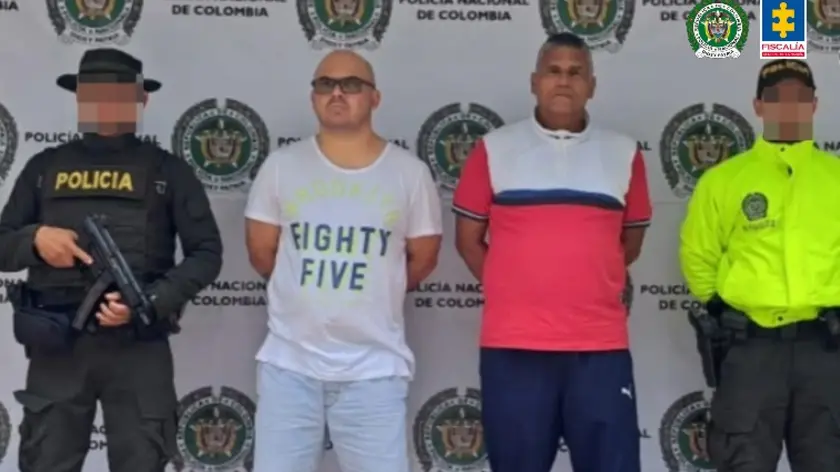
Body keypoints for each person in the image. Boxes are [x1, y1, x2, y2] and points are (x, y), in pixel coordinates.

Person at [0, 48, 223, 472]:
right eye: (94, 93)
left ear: (142, 99)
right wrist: (36, 241)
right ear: (79, 98)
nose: (104, 103)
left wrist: (151, 301)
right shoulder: (44, 168)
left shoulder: (168, 172)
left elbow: (207, 253)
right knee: (47, 462)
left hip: (137, 347)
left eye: (117, 93)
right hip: (57, 346)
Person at [453, 32, 651, 472]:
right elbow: (468, 241)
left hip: (599, 348)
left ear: (592, 85)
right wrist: (514, 287)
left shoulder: (623, 152)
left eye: (576, 73)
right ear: (534, 81)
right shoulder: (494, 148)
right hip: (514, 348)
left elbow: (629, 243)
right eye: (554, 71)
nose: (564, 81)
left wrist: (582, 279)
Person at [244, 50, 442, 472]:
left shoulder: (409, 173)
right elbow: (262, 253)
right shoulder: (281, 166)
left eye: (351, 85)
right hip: (289, 366)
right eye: (325, 84)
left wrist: (374, 287)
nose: (337, 93)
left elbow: (422, 259)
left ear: (375, 97)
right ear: (313, 96)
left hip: (374, 368)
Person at [680, 59, 840, 472]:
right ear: (758, 105)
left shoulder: (835, 177)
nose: (788, 108)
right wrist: (722, 308)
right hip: (751, 352)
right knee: (743, 463)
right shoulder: (723, 181)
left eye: (799, 98)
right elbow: (698, 254)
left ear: (814, 105)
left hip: (825, 351)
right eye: (776, 98)